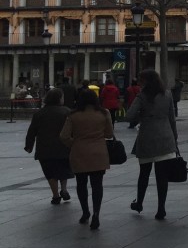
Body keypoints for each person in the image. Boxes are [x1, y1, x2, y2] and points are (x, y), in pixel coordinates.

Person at [126, 69, 179, 220]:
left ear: (146, 81)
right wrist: (174, 138)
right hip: (165, 136)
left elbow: (129, 115)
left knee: (144, 173)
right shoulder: (167, 94)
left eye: (141, 80)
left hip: (147, 137)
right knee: (162, 176)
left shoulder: (142, 96)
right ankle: (161, 208)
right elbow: (172, 118)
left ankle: (139, 203)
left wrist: (143, 115)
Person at [59, 89, 113, 230]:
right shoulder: (104, 113)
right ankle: (96, 213)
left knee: (81, 183)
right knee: (97, 185)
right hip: (98, 152)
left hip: (79, 152)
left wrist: (75, 144)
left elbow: (64, 136)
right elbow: (109, 133)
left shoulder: (73, 115)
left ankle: (85, 212)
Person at [25, 88, 74, 204]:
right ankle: (64, 189)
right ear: (59, 99)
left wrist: (29, 146)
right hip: (64, 146)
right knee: (63, 169)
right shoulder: (67, 111)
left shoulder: (39, 113)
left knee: (50, 172)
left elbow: (32, 131)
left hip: (45, 148)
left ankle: (55, 195)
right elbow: (72, 129)